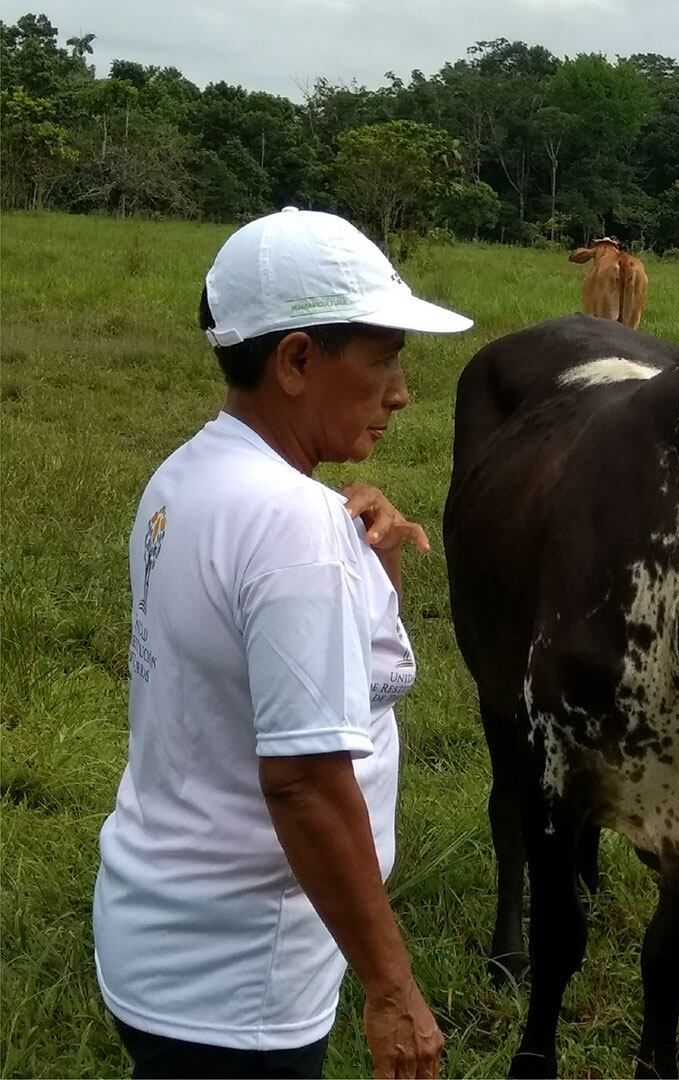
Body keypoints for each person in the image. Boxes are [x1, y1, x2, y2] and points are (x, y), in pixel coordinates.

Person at [93, 208, 473, 1079]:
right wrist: (392, 989)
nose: (402, 392)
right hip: (237, 987)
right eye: (382, 361)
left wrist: (368, 570)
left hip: (161, 937)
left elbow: (281, 681)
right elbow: (302, 778)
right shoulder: (295, 525)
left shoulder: (186, 474)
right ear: (297, 359)